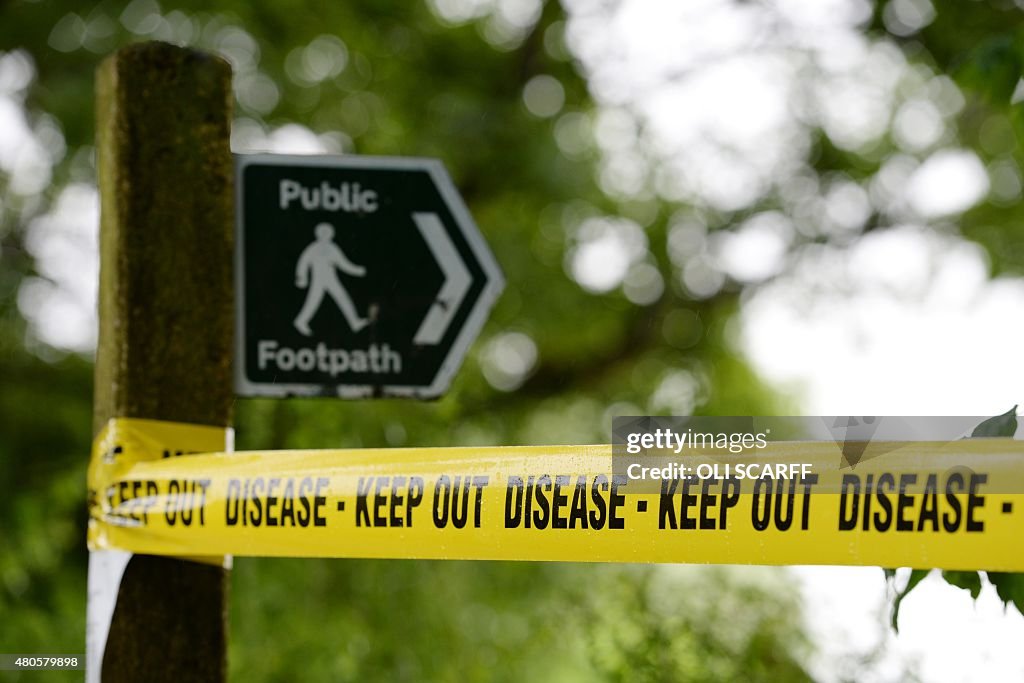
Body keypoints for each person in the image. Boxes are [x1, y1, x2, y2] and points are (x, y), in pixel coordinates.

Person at [293, 222, 369, 336]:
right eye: (322, 232)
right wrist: (302, 277)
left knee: (343, 298)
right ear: (317, 234)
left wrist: (357, 271)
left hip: (331, 278)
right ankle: (300, 321)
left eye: (327, 232)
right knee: (313, 301)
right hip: (319, 279)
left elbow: (343, 263)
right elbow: (303, 262)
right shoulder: (313, 248)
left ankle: (354, 322)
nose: (325, 235)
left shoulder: (333, 248)